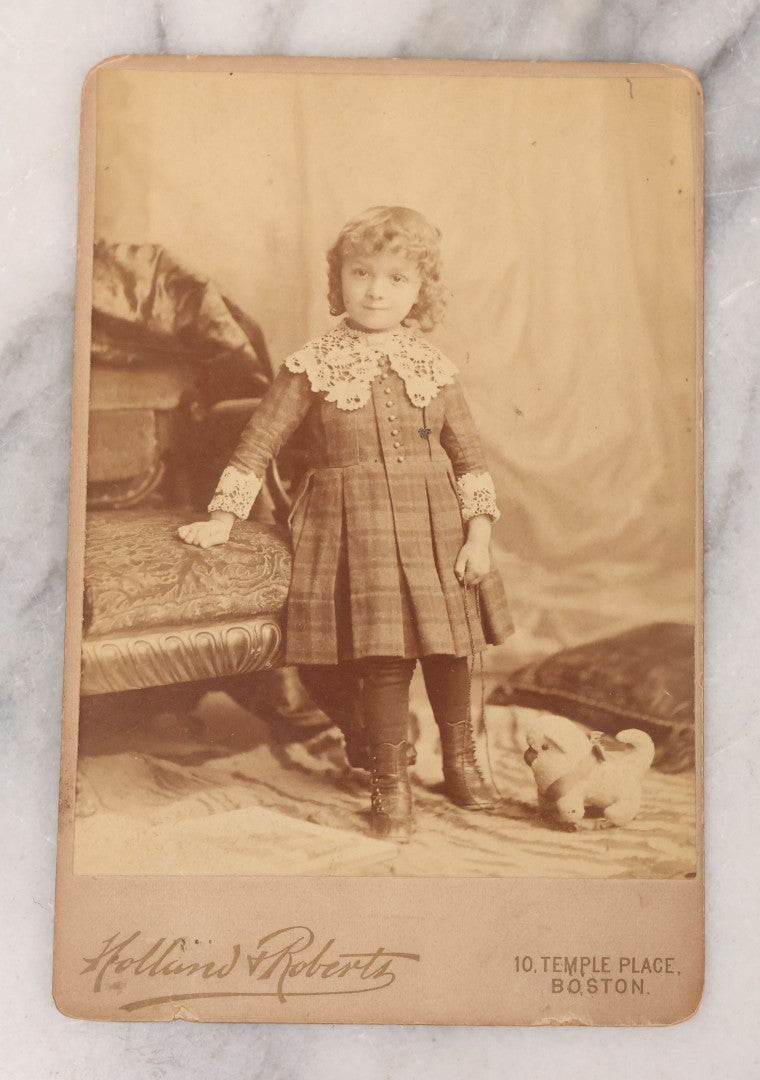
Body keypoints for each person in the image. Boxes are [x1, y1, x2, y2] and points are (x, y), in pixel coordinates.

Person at [179, 206, 513, 842]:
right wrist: (223, 517)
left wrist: (479, 535)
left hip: (436, 524)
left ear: (421, 290)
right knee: (383, 659)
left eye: (396, 278)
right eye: (362, 273)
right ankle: (391, 784)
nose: (376, 290)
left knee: (450, 652)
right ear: (340, 280)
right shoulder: (312, 366)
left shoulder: (433, 367)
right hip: (350, 529)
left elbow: (469, 458)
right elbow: (257, 444)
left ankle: (462, 764)